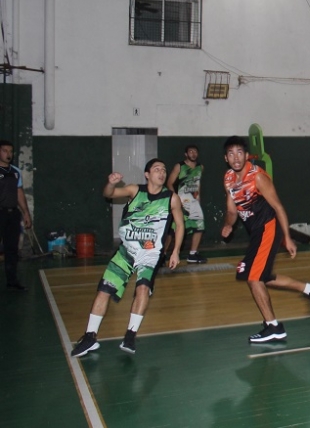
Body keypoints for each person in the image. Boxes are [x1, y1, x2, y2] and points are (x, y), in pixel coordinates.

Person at [70, 160, 185, 357]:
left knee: (142, 289)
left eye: (164, 170)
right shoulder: (134, 190)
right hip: (126, 251)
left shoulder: (171, 198)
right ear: (147, 174)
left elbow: (180, 226)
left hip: (150, 254)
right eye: (157, 169)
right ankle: (90, 337)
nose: (162, 172)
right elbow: (109, 194)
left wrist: (175, 251)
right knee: (104, 290)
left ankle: (131, 334)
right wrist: (111, 183)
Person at [222, 136, 310, 343]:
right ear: (226, 158)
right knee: (263, 277)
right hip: (256, 233)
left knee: (253, 278)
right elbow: (231, 210)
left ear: (246, 155)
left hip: (268, 229)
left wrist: (286, 238)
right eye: (231, 154)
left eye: (240, 152)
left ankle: (273, 327)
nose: (236, 157)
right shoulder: (228, 178)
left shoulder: (257, 177)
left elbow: (278, 206)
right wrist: (228, 224)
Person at [166, 144, 207, 264]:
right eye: (190, 152)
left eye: (195, 152)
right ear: (186, 154)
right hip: (181, 201)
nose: (193, 154)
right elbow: (169, 183)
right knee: (173, 230)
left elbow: (198, 185)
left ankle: (192, 254)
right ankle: (162, 255)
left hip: (194, 201)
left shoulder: (200, 167)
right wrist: (176, 200)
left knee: (199, 226)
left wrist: (198, 200)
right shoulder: (180, 166)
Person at [0, 140, 31, 291]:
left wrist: (26, 213)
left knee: (11, 249)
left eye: (10, 151)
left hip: (12, 215)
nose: (8, 154)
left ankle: (12, 281)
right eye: (5, 151)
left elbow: (19, 193)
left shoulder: (15, 171)